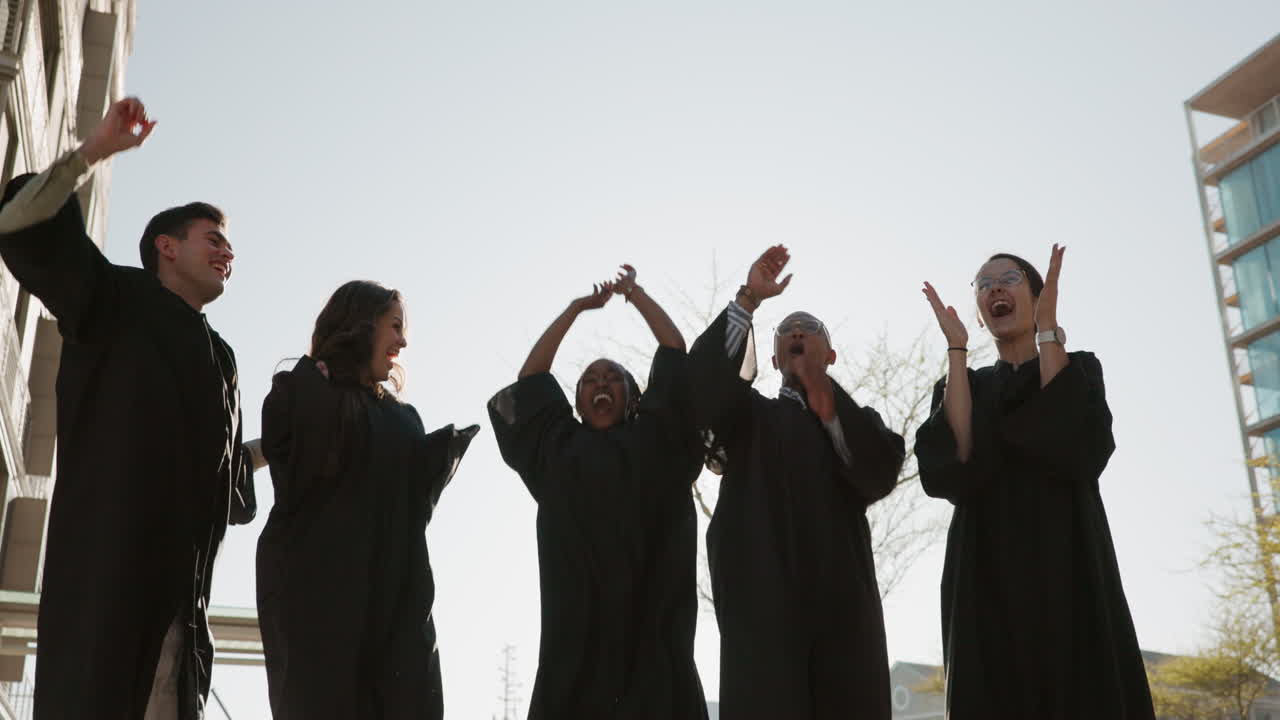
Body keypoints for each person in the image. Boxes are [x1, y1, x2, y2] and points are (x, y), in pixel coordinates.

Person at [0, 97, 264, 720]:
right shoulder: (114, 300)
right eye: (214, 239)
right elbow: (18, 223)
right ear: (166, 247)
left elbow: (224, 484)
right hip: (109, 592)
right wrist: (95, 151)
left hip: (180, 621)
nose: (228, 253)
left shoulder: (220, 360)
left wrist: (273, 446)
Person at [915, 246, 1154, 718]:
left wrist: (1048, 329)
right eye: (983, 286)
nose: (994, 289)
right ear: (980, 314)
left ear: (1038, 296)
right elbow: (955, 464)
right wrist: (957, 351)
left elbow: (1075, 445)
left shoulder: (1079, 368)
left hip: (1068, 559)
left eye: (1008, 279)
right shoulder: (967, 384)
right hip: (984, 569)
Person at [688, 245, 905, 719]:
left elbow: (879, 472)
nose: (798, 332)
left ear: (831, 353)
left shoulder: (855, 420)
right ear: (771, 355)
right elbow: (706, 397)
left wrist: (828, 407)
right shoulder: (749, 417)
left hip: (842, 614)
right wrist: (747, 302)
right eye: (787, 330)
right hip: (761, 609)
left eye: (810, 330)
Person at [488, 265, 707, 719]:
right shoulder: (556, 449)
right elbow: (529, 381)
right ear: (576, 400)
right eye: (590, 379)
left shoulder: (657, 441)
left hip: (653, 645)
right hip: (575, 651)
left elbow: (673, 351)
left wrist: (637, 294)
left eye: (613, 378)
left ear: (634, 398)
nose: (601, 384)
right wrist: (574, 310)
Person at [257, 280, 479, 719]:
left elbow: (412, 503)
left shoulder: (403, 415)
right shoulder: (299, 391)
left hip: (398, 597)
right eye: (394, 326)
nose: (403, 340)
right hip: (321, 600)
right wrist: (313, 384)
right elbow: (299, 456)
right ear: (360, 324)